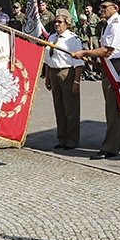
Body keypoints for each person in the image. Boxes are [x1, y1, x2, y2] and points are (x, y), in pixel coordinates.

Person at [71, 0, 120, 160]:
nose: (101, 10)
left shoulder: (115, 25)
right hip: (112, 64)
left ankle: (110, 147)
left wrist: (84, 52)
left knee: (113, 107)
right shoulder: (110, 24)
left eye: (105, 7)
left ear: (115, 8)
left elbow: (107, 51)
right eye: (100, 7)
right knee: (119, 104)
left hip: (115, 66)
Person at [44, 9, 84, 150]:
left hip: (67, 73)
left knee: (70, 109)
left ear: (67, 23)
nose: (57, 24)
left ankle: (72, 140)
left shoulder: (73, 39)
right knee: (59, 108)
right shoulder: (51, 37)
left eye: (60, 22)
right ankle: (62, 138)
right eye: (55, 22)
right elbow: (48, 60)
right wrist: (47, 76)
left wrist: (76, 81)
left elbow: (79, 63)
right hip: (54, 73)